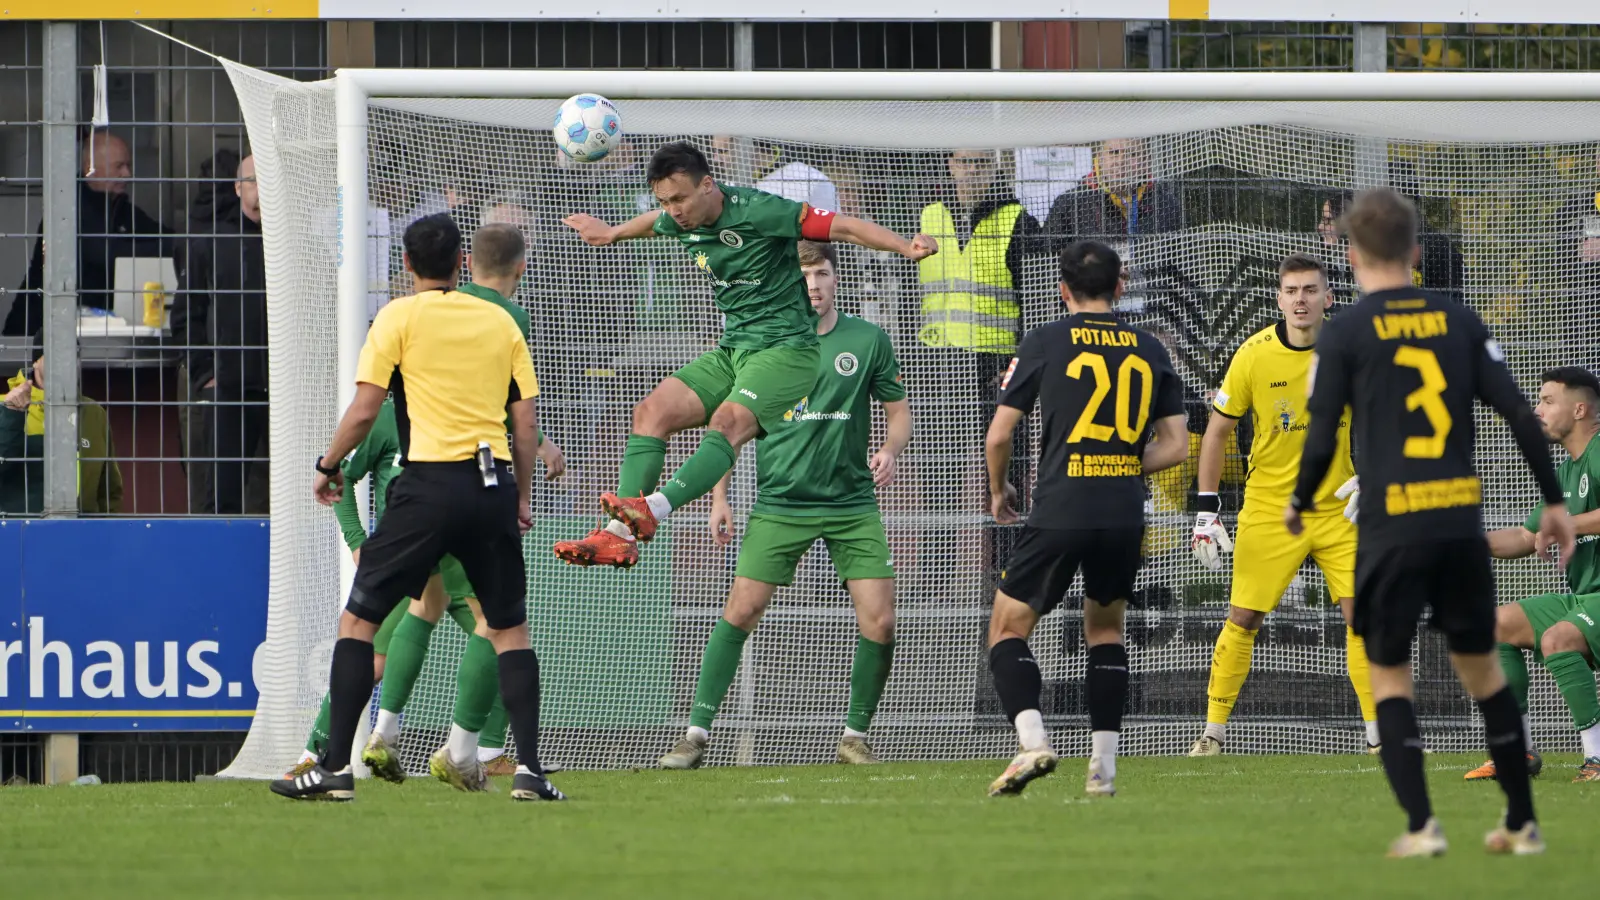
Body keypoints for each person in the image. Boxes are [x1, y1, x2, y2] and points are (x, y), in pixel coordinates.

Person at [1286, 187, 1573, 856]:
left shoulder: (1345, 331)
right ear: (1415, 252)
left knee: (1390, 675)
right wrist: (1554, 502)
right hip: (1456, 524)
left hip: (1391, 528)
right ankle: (1522, 822)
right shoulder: (1458, 320)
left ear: (1352, 256)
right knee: (1483, 673)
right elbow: (1518, 413)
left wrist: (1299, 500)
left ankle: (1422, 826)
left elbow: (1322, 435)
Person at [270, 213, 563, 803]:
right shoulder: (500, 319)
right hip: (490, 484)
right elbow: (525, 423)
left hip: (426, 485)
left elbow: (364, 410)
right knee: (509, 630)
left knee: (359, 624)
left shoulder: (397, 317)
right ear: (460, 264)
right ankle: (529, 773)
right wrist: (523, 496)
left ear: (406, 264)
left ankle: (335, 768)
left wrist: (328, 465)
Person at [552, 141, 935, 568]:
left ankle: (653, 509)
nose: (673, 211)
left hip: (787, 352)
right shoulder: (679, 218)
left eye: (679, 199)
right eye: (665, 202)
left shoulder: (758, 210)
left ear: (708, 185)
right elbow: (653, 223)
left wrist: (905, 247)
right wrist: (612, 232)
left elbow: (843, 227)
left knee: (727, 423)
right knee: (651, 412)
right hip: (735, 349)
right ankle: (617, 536)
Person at [657, 240, 911, 769]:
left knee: (882, 621)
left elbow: (898, 413)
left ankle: (855, 737)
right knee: (740, 611)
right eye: (803, 276)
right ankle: (695, 735)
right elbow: (727, 427)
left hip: (852, 506)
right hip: (779, 504)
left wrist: (889, 449)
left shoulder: (868, 340)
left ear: (835, 279)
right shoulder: (761, 343)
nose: (812, 285)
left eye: (821, 274)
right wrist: (719, 497)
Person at [982, 240, 1189, 798]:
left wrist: (999, 491)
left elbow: (999, 435)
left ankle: (1032, 742)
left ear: (1062, 289)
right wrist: (1119, 465)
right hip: (1123, 511)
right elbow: (1175, 446)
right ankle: (1102, 771)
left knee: (1007, 628)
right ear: (1120, 286)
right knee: (1106, 630)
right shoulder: (1150, 347)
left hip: (1062, 505)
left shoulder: (1045, 340)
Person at [1187, 253, 1377, 756]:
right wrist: (1206, 509)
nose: (1300, 300)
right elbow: (1217, 431)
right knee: (1242, 618)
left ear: (1328, 298)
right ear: (1278, 299)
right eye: (1291, 291)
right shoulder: (1253, 354)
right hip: (1270, 507)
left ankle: (1379, 736)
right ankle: (1212, 733)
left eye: (1310, 290)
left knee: (1363, 616)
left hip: (1339, 507)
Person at [1467, 367, 1600, 783]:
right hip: (1585, 597)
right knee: (1496, 625)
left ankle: (1597, 759)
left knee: (1558, 638)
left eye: (1547, 400)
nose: (1537, 409)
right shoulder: (1563, 473)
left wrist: (1566, 525)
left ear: (1579, 409)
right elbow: (1526, 537)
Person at [5, 129, 172, 335]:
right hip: (36, 334)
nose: (127, 174)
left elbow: (165, 238)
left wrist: (189, 242)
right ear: (89, 169)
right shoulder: (69, 209)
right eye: (119, 166)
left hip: (90, 333)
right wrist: (174, 248)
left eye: (128, 166)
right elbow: (107, 253)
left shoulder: (121, 210)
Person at [183, 153, 269, 515]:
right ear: (237, 188)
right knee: (222, 495)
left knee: (286, 493)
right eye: (253, 180)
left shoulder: (299, 243)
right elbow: (186, 315)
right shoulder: (213, 242)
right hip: (230, 386)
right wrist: (206, 374)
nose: (262, 188)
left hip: (289, 389)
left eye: (269, 178)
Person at [0, 346, 122, 514]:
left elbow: (108, 486)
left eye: (72, 355)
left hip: (82, 527)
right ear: (35, 361)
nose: (65, 361)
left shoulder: (93, 412)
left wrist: (107, 527)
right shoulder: (4, 406)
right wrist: (12, 415)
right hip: (20, 527)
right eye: (55, 353)